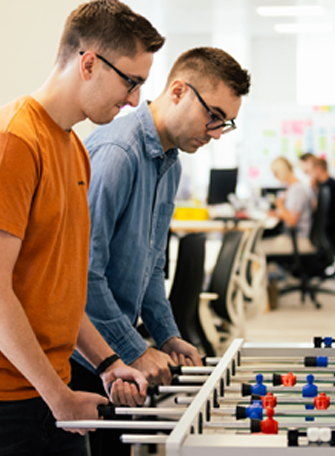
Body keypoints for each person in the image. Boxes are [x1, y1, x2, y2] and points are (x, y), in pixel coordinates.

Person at [0, 0, 166, 455]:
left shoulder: (74, 149)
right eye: (131, 82)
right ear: (88, 63)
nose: (134, 100)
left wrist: (108, 361)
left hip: (53, 385)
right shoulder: (10, 140)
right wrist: (58, 398)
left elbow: (58, 290)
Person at [70, 46, 250, 454]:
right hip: (83, 357)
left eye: (227, 123)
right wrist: (135, 351)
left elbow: (151, 265)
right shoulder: (118, 155)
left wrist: (167, 335)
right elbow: (84, 277)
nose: (217, 131)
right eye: (214, 116)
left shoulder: (171, 164)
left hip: (116, 347)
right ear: (178, 91)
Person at [261, 157, 314, 256]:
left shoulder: (297, 190)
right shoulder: (293, 188)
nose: (275, 177)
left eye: (276, 173)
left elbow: (291, 221)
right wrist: (276, 214)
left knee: (255, 247)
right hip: (294, 236)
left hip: (298, 238)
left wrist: (280, 205)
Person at [310, 157, 335, 251]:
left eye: (311, 171)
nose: (310, 175)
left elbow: (318, 209)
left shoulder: (327, 188)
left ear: (318, 169)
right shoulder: (333, 183)